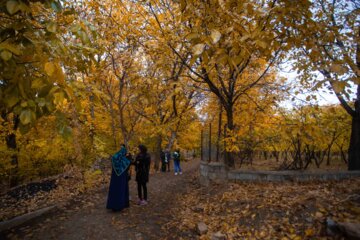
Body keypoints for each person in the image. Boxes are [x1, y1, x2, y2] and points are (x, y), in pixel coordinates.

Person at [106, 144, 131, 211]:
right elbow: (128, 166)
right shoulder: (124, 160)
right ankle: (120, 206)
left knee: (114, 191)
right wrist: (129, 158)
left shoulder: (114, 158)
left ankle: (113, 206)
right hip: (122, 178)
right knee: (121, 191)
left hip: (114, 179)